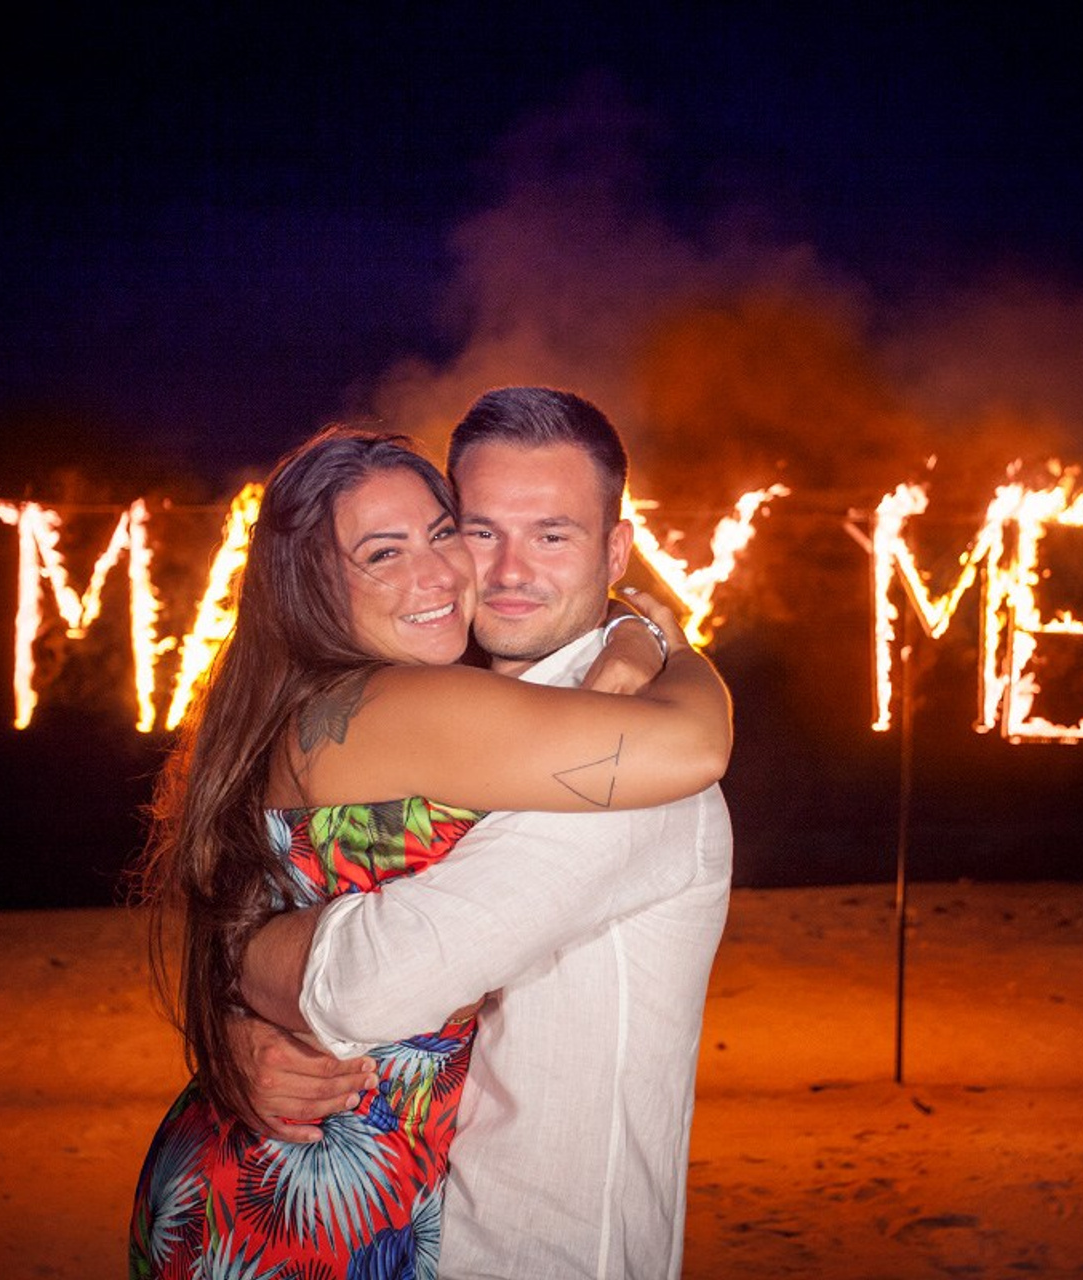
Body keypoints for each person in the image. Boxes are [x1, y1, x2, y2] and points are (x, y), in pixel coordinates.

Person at [127, 417, 732, 1279]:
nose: (489, 570)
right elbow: (694, 746)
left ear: (615, 549)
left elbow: (246, 894)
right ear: (314, 586)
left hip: (337, 1197)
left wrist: (234, 979)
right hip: (291, 1207)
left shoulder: (336, 700)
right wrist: (669, 645)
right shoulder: (419, 706)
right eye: (480, 530)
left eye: (442, 534)